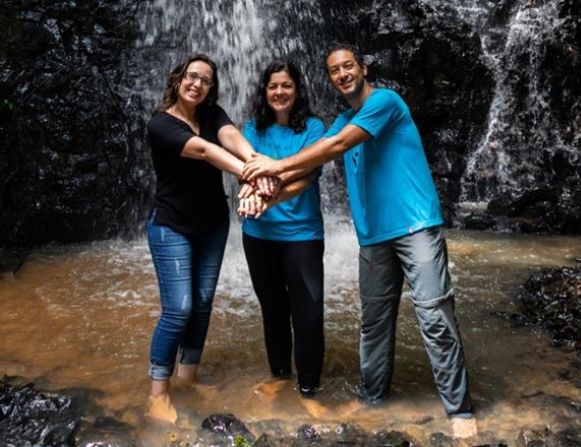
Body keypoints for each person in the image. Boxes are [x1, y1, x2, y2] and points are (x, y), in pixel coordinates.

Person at [242, 43, 477, 438]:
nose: (342, 74)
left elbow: (337, 145)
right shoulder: (342, 118)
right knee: (373, 322)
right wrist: (265, 194)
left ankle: (460, 410)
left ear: (362, 68)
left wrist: (276, 166)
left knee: (434, 316)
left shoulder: (384, 101)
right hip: (372, 236)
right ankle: (371, 397)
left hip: (414, 226)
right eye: (334, 70)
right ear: (330, 78)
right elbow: (315, 158)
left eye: (348, 66)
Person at [146, 53, 277, 423]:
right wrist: (252, 175)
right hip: (171, 226)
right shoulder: (161, 125)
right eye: (192, 76)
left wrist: (255, 160)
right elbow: (205, 150)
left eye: (205, 80)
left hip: (212, 225)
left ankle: (187, 378)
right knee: (179, 308)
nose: (197, 84)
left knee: (202, 303)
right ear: (178, 80)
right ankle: (158, 391)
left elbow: (230, 136)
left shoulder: (212, 113)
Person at [237, 61, 326, 397]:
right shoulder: (252, 129)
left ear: (297, 90)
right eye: (273, 86)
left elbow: (309, 171)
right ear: (265, 91)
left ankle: (309, 386)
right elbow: (244, 171)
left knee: (309, 312)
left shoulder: (314, 129)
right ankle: (279, 376)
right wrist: (258, 178)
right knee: (273, 310)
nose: (279, 92)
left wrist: (268, 178)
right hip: (259, 235)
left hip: (302, 235)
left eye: (286, 85)